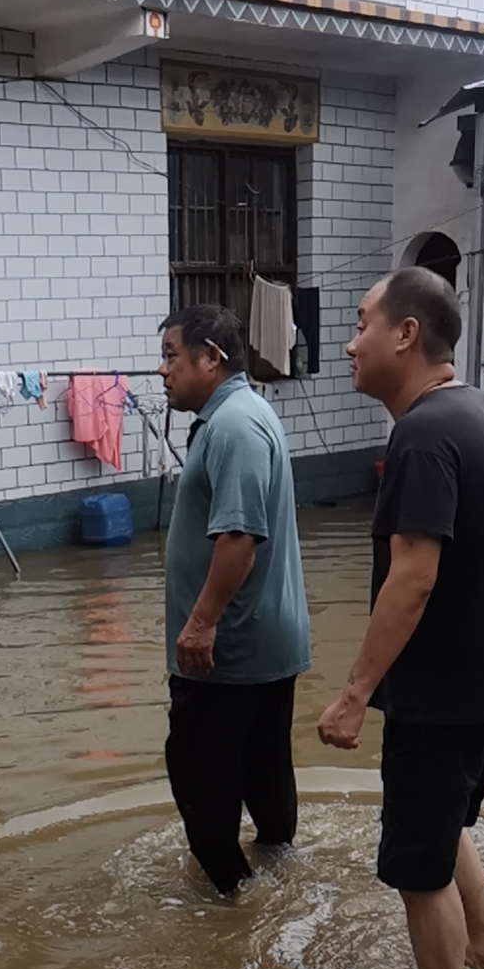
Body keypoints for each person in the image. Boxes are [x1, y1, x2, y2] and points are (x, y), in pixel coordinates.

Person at [317, 267, 484, 969]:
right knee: (443, 829)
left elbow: (412, 577)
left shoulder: (422, 435)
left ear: (406, 335)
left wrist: (355, 693)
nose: (350, 344)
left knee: (418, 871)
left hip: (443, 700)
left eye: (361, 325)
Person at [159, 304, 311, 897]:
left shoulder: (233, 426)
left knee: (201, 790)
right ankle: (280, 887)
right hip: (260, 644)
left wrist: (200, 624)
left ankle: (236, 905)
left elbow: (239, 538)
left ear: (210, 358)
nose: (162, 370)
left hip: (229, 654)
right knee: (265, 774)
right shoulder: (245, 414)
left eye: (171, 356)